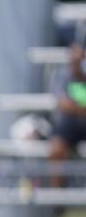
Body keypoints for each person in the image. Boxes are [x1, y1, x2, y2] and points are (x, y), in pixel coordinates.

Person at [48, 42, 86, 189]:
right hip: (68, 125)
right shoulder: (61, 75)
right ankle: (58, 196)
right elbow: (64, 104)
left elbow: (70, 105)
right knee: (56, 150)